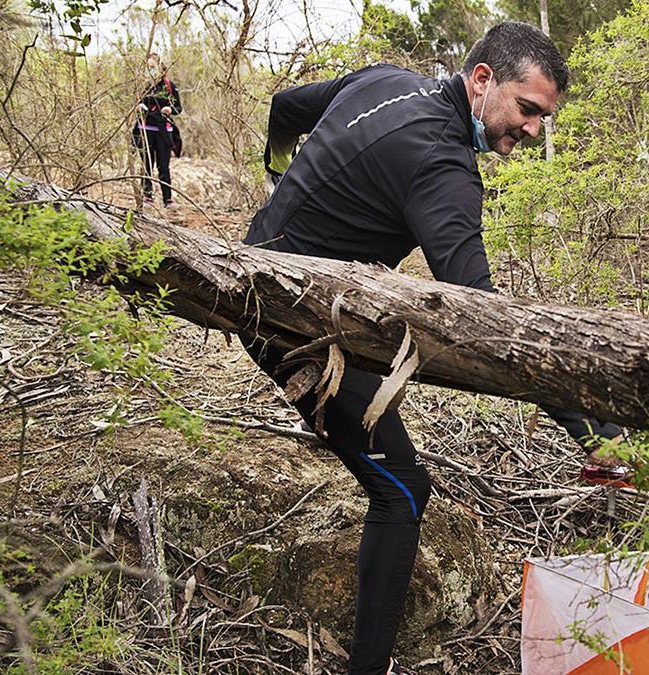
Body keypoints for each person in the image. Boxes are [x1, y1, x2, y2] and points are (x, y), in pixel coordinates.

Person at [242, 21, 626, 675]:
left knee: (400, 461)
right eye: (527, 109)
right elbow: (486, 323)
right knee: (402, 490)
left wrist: (278, 174)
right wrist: (593, 431)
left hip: (258, 273)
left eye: (544, 117)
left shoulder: (385, 81)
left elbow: (285, 110)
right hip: (290, 328)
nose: (534, 131)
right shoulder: (444, 164)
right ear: (482, 81)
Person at [132, 53, 182, 207]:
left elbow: (178, 108)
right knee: (146, 164)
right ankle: (147, 196)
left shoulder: (169, 86)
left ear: (161, 68)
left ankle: (168, 199)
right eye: (148, 68)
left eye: (152, 67)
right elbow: (134, 104)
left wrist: (169, 109)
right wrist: (139, 106)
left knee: (163, 166)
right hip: (145, 129)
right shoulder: (143, 86)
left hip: (163, 131)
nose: (150, 71)